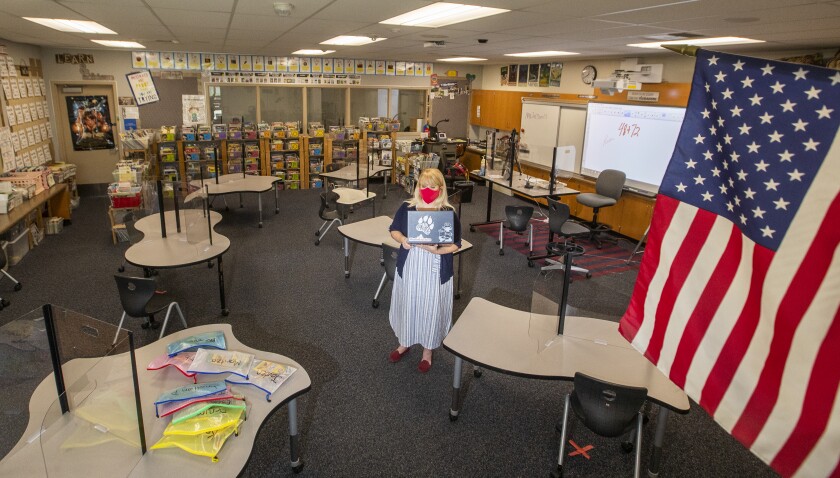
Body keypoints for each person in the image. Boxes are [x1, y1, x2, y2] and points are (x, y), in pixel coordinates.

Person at [387, 168, 461, 373]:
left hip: (435, 268)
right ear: (418, 186)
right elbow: (394, 229)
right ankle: (405, 342)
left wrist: (439, 251)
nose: (427, 190)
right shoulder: (408, 207)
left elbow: (456, 244)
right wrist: (402, 240)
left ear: (441, 188)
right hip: (411, 265)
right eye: (423, 186)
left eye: (432, 186)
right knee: (409, 303)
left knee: (430, 307)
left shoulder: (447, 213)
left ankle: (427, 351)